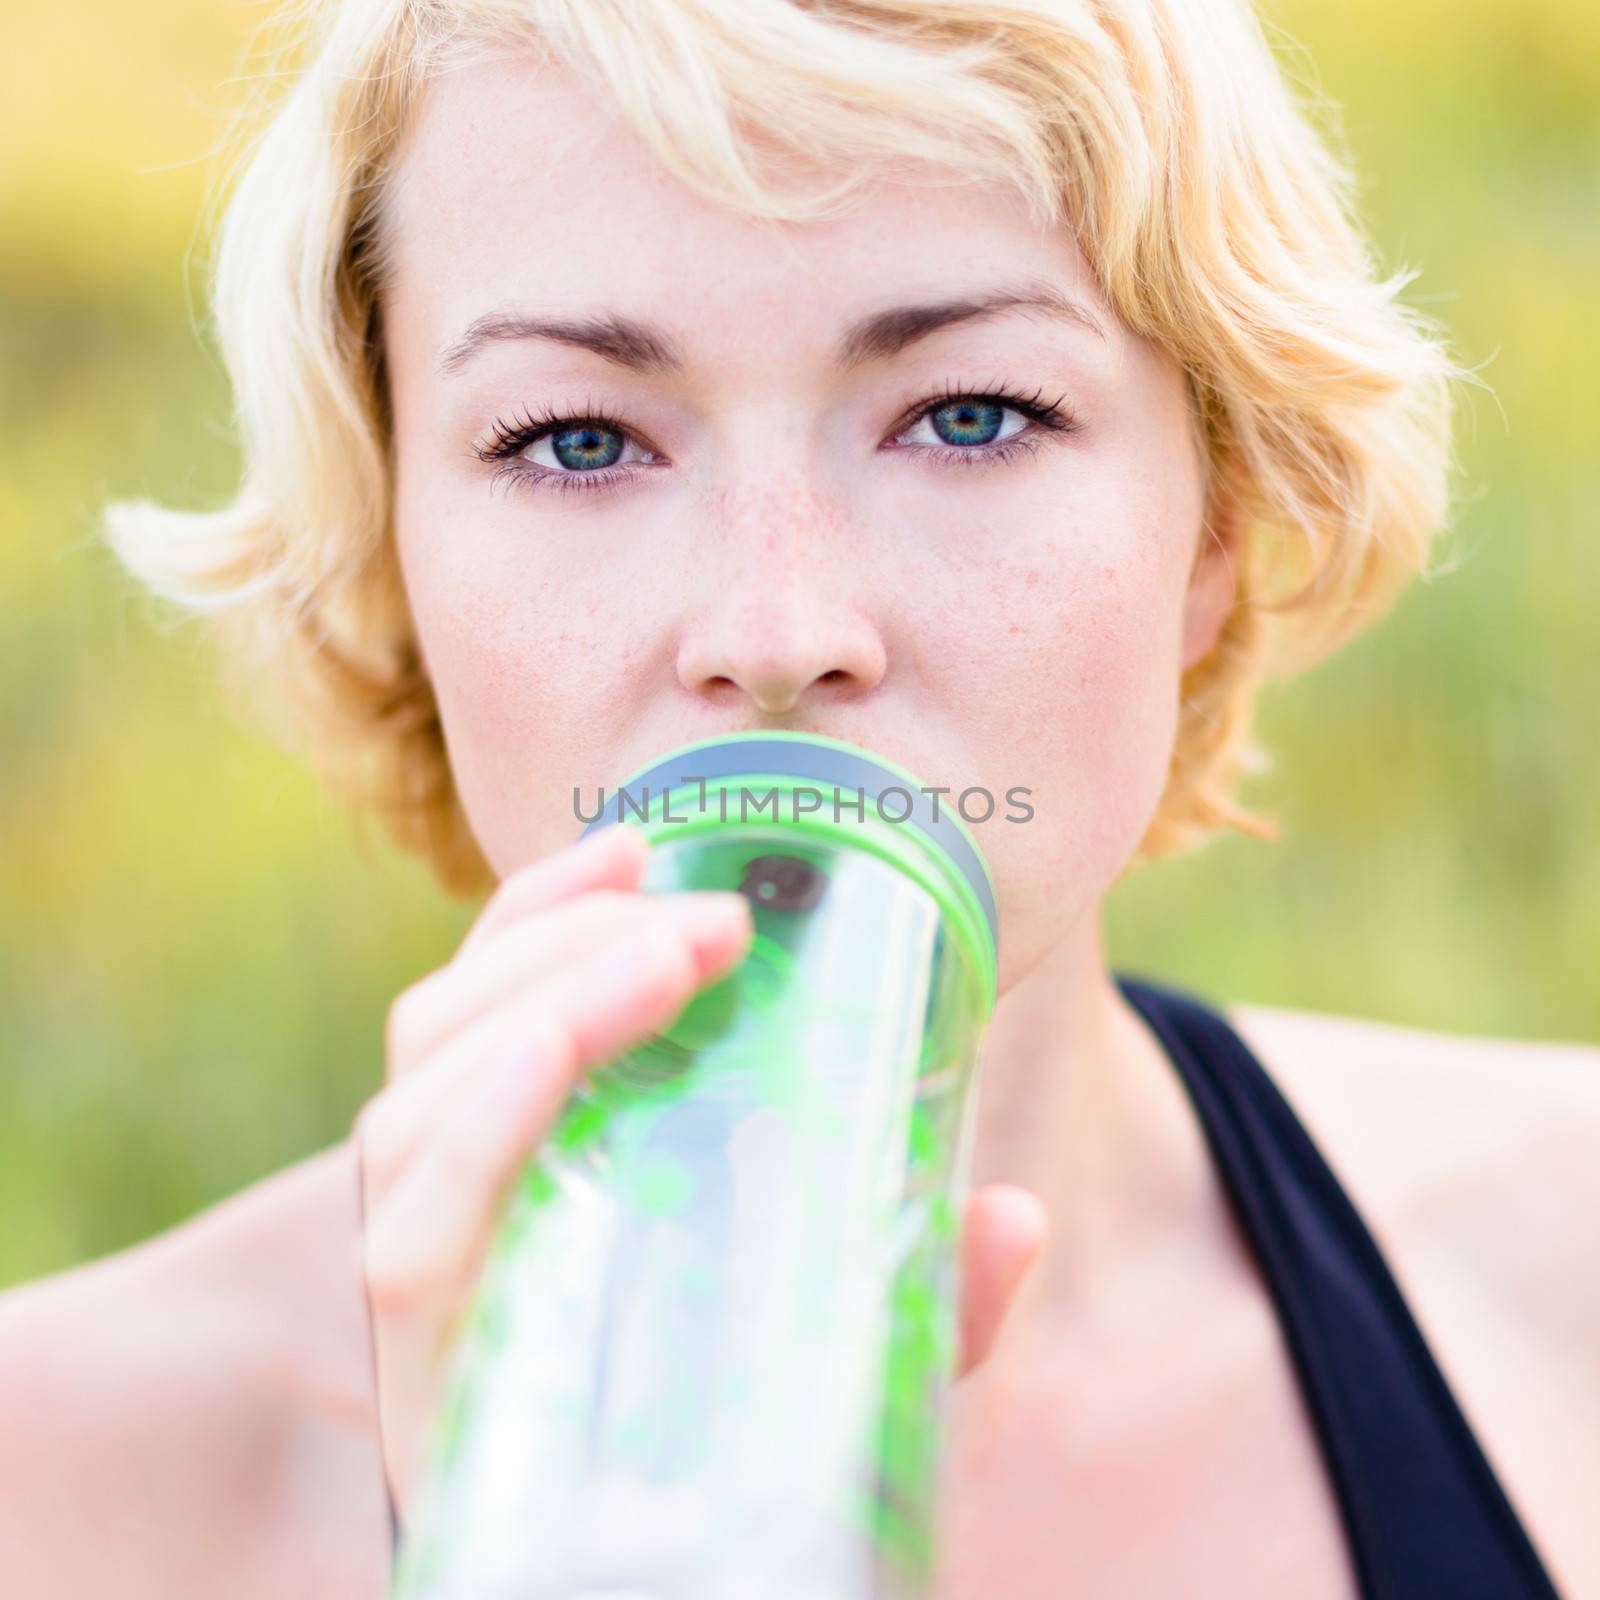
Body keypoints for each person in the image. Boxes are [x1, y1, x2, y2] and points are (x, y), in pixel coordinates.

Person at [2, 0, 1595, 1594]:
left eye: (970, 416)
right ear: (390, 533)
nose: (776, 636)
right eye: (575, 440)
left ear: (1219, 521)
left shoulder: (1562, 1268)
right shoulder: (53, 1489)